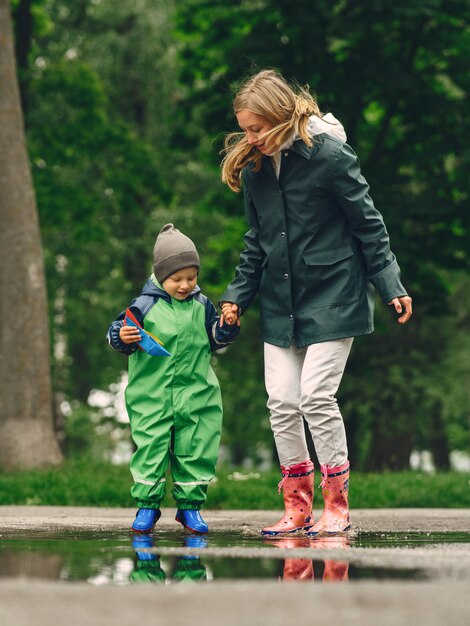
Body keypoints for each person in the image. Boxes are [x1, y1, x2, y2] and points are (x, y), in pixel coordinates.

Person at [219, 69, 412, 537]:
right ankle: (298, 506)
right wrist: (235, 299)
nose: (251, 138)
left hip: (335, 293)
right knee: (282, 401)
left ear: (281, 116)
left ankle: (337, 506)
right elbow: (256, 243)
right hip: (280, 302)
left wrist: (391, 283)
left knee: (315, 397)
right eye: (244, 129)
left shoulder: (328, 155)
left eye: (257, 128)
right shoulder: (257, 171)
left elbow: (368, 223)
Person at [107, 223, 239, 534]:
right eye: (176, 279)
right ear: (160, 275)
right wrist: (122, 335)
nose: (184, 285)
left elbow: (217, 339)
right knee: (151, 447)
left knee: (195, 447)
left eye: (191, 278)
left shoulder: (202, 305)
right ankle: (147, 507)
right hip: (152, 395)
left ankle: (190, 508)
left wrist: (227, 326)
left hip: (196, 392)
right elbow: (118, 335)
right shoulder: (143, 306)